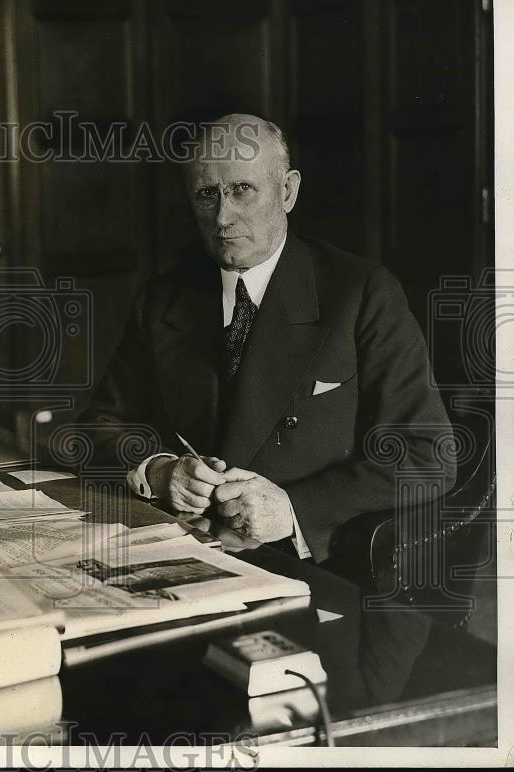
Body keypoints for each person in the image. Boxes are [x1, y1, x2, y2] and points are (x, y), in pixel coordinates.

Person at [77, 113, 455, 563]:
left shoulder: (361, 293)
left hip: (308, 562)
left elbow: (428, 455)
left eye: (241, 190)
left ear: (288, 191)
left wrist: (294, 509)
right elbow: (95, 429)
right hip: (181, 556)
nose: (222, 216)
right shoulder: (163, 299)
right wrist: (159, 473)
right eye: (206, 194)